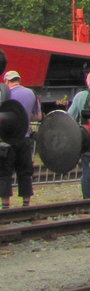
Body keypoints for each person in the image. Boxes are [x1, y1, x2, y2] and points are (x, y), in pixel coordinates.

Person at [0, 70, 40, 208]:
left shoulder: (4, 94)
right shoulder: (31, 93)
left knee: (4, 172)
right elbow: (37, 116)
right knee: (25, 172)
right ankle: (26, 202)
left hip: (7, 140)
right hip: (25, 138)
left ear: (6, 81)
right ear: (19, 80)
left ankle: (5, 204)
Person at [67, 71, 90, 200]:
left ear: (87, 82)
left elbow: (70, 116)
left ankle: (88, 197)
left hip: (86, 136)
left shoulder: (80, 96)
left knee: (87, 168)